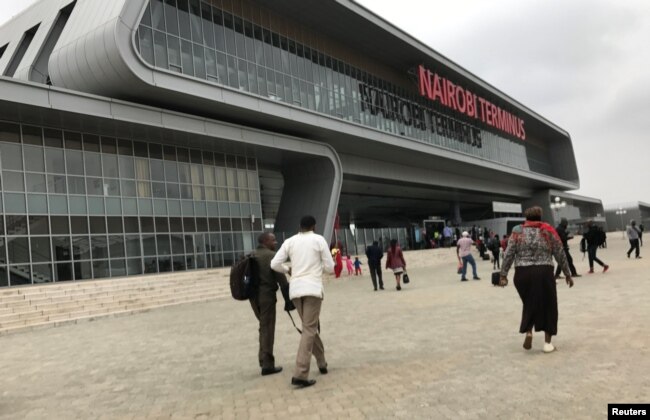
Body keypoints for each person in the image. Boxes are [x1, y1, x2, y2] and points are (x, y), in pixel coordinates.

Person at [499, 206, 574, 353]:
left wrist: (503, 275)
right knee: (549, 305)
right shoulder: (548, 230)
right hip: (544, 271)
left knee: (529, 302)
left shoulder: (517, 230)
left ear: (526, 217)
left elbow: (509, 253)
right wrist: (567, 273)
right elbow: (560, 252)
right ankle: (547, 344)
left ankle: (528, 331)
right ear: (540, 216)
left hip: (522, 274)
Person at [271, 215, 334, 388]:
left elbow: (274, 264)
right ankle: (300, 373)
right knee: (309, 329)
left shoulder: (290, 241)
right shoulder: (318, 240)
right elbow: (330, 267)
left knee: (308, 328)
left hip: (296, 290)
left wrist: (288, 269)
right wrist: (317, 268)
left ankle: (321, 362)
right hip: (312, 288)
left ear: (300, 226)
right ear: (314, 226)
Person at [249, 233, 291, 376]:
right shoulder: (272, 255)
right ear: (266, 241)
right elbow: (282, 280)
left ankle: (263, 359)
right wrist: (289, 300)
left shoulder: (252, 255)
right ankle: (267, 364)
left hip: (253, 298)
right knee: (268, 328)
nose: (276, 241)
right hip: (266, 296)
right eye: (273, 239)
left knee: (263, 326)